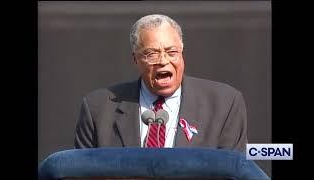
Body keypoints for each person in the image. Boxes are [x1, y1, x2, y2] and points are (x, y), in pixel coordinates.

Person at [74, 14, 247, 152]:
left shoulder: (224, 104)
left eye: (172, 52)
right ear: (135, 60)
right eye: (152, 54)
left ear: (181, 54)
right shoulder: (98, 108)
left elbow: (235, 171)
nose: (163, 61)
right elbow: (82, 172)